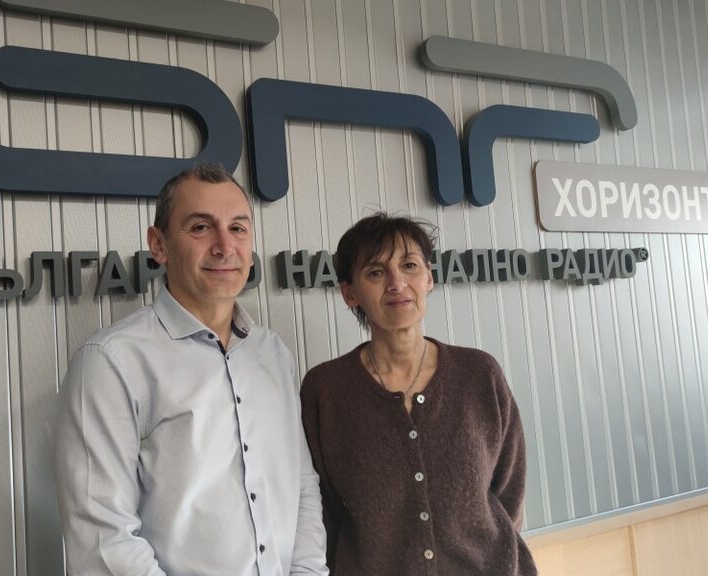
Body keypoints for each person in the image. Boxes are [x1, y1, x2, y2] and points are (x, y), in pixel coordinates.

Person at [50, 163, 328, 576]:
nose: (225, 246)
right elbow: (103, 540)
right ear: (158, 245)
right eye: (201, 228)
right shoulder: (111, 362)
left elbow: (301, 486)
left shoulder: (273, 354)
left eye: (238, 228)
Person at [300, 212, 537, 575]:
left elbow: (509, 489)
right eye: (376, 272)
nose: (397, 283)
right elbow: (323, 509)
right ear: (350, 293)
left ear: (429, 277)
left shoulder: (478, 374)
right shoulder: (326, 390)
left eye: (409, 265)